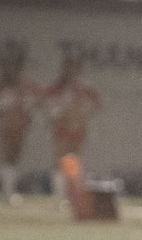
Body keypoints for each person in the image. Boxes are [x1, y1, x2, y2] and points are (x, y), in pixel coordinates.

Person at [0, 52, 42, 205]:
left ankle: (10, 190)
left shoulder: (27, 84)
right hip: (7, 125)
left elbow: (40, 99)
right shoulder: (1, 85)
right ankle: (7, 192)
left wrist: (30, 104)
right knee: (7, 157)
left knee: (15, 158)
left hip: (22, 126)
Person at [42, 56, 101, 206]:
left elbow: (97, 104)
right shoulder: (58, 87)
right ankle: (59, 195)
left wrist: (83, 112)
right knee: (59, 161)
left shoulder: (85, 88)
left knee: (76, 162)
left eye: (75, 69)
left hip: (77, 129)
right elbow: (46, 102)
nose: (72, 72)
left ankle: (73, 195)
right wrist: (57, 112)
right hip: (62, 128)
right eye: (69, 68)